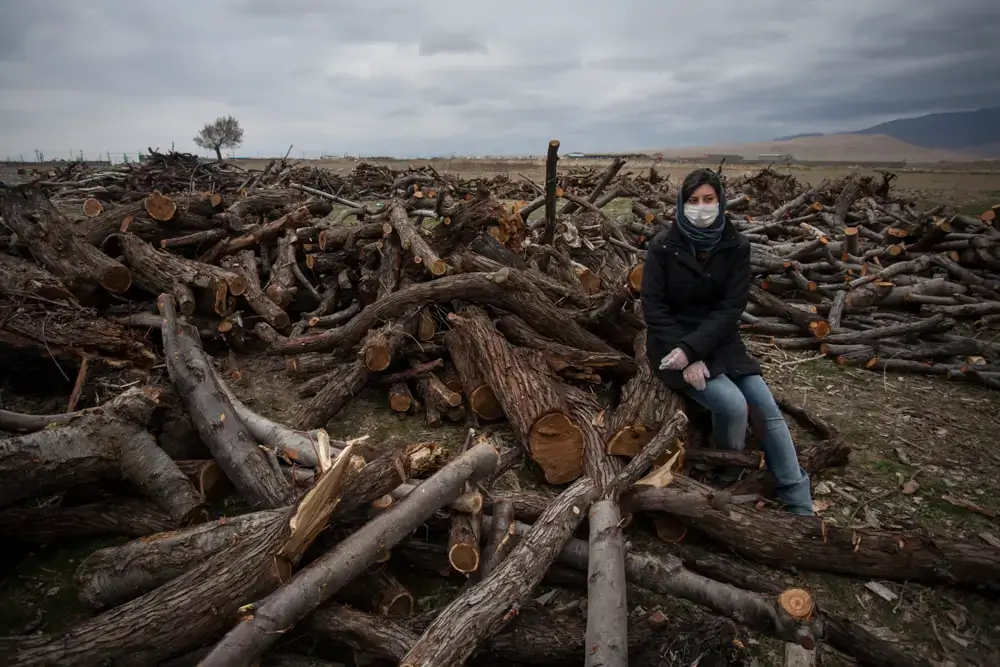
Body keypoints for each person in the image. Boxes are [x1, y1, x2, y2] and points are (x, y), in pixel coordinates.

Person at [639, 167, 813, 515]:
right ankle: (730, 468)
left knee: (766, 409)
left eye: (708, 199)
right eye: (693, 200)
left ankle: (799, 501)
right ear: (681, 204)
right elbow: (654, 310)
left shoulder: (736, 246)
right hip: (671, 345)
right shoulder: (663, 247)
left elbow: (730, 307)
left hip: (720, 340)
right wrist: (686, 354)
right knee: (732, 405)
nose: (701, 207)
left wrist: (696, 349)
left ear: (721, 203)